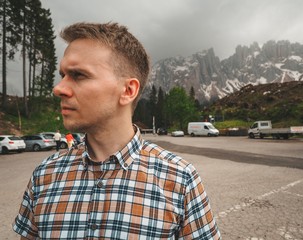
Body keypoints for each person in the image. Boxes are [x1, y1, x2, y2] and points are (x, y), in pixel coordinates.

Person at [13, 22, 221, 239]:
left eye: (79, 75)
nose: (59, 88)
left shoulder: (180, 179)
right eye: (62, 75)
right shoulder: (44, 175)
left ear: (128, 90)